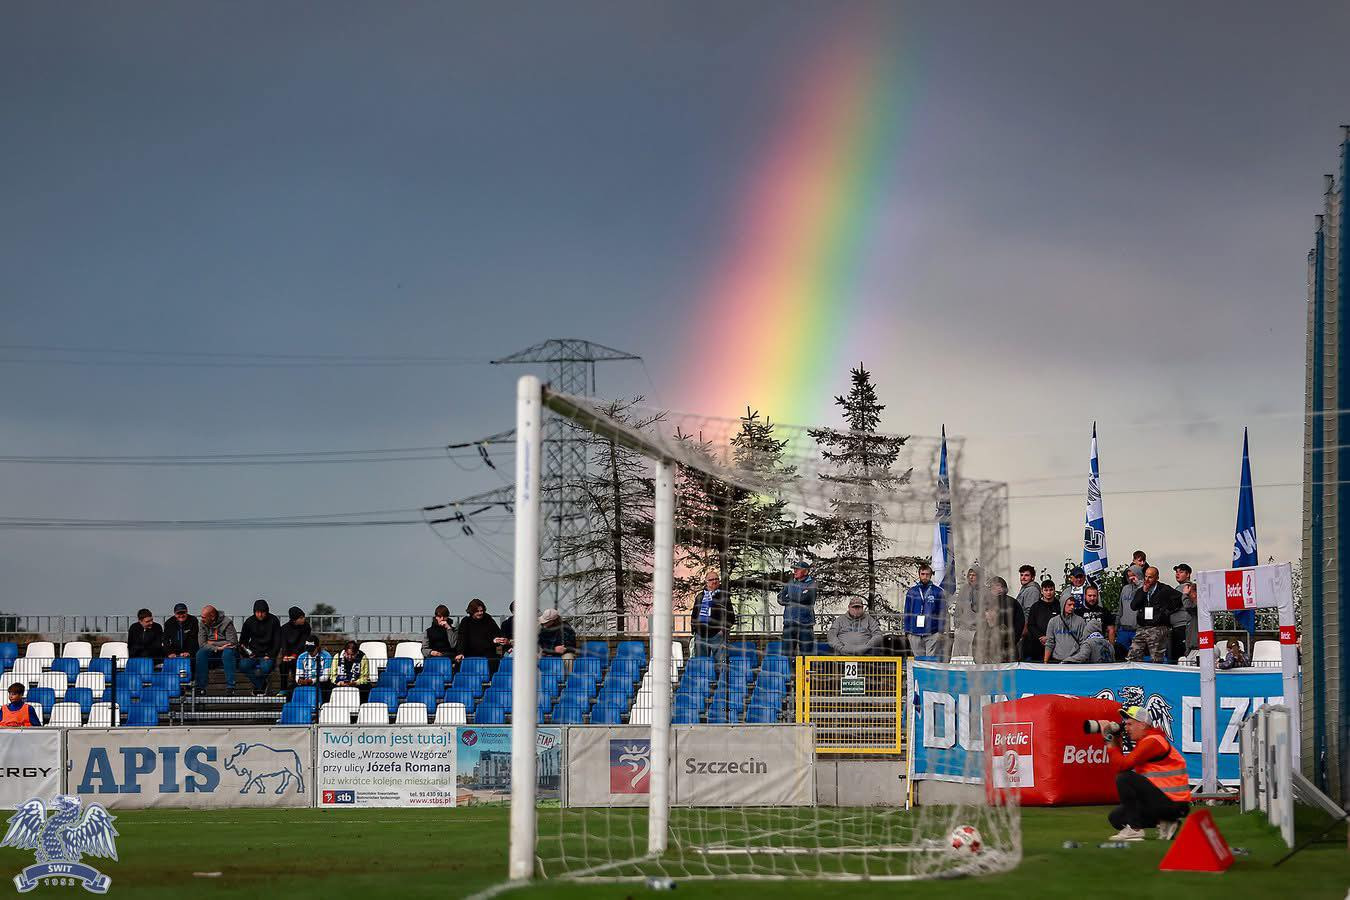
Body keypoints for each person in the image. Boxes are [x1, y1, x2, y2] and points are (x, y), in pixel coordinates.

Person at [1102, 704, 1191, 841]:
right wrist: (1115, 740)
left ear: (1142, 725)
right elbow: (1122, 763)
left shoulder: (1153, 741)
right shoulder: (1147, 741)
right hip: (1166, 802)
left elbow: (1123, 766)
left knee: (1125, 778)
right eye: (1125, 725)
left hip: (1174, 803)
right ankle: (1167, 821)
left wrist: (1109, 741)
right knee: (1116, 818)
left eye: (1130, 724)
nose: (1126, 728)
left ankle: (1135, 829)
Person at [1128, 567, 1182, 663]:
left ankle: (1156, 676)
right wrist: (1144, 592)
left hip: (1158, 627)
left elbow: (1179, 598)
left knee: (1156, 658)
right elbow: (1133, 606)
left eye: (1150, 577)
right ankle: (1136, 675)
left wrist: (1166, 611)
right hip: (1142, 626)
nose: (1147, 580)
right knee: (1133, 655)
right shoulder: (1141, 590)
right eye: (1145, 577)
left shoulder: (1164, 589)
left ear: (1157, 578)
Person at [691, 573, 735, 668]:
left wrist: (723, 630)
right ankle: (703, 682)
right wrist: (694, 630)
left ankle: (719, 682)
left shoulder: (724, 597)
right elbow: (694, 614)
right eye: (711, 580)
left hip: (717, 635)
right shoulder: (700, 597)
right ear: (706, 582)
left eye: (716, 579)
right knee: (701, 663)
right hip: (700, 635)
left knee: (720, 664)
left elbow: (731, 617)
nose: (714, 581)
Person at [238, 599, 281, 695]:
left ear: (267, 611)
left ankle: (258, 687)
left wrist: (270, 655)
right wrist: (247, 653)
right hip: (252, 654)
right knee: (242, 665)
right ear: (254, 612)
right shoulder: (249, 622)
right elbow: (242, 642)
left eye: (262, 612)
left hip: (268, 655)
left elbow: (277, 641)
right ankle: (261, 685)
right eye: (257, 612)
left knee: (265, 668)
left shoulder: (274, 621)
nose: (260, 615)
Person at [903, 564, 946, 659]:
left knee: (930, 661)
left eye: (927, 574)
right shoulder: (912, 591)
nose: (925, 576)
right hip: (914, 632)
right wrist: (907, 631)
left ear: (931, 575)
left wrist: (940, 631)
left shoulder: (938, 591)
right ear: (919, 575)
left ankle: (930, 674)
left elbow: (942, 613)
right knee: (918, 660)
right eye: (922, 574)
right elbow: (907, 611)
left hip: (932, 632)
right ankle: (919, 674)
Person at [777, 561, 817, 659]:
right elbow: (780, 597)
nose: (794, 571)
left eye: (797, 569)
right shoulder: (790, 582)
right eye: (794, 569)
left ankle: (805, 673)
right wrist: (794, 599)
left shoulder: (812, 583)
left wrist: (790, 598)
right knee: (787, 652)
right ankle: (788, 673)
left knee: (806, 652)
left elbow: (804, 598)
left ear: (806, 571)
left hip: (805, 622)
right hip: (789, 622)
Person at [980, 577, 1024, 663]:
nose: (995, 588)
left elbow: (1020, 623)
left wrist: (1012, 640)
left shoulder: (1012, 602)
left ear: (1003, 587)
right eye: (993, 586)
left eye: (998, 585)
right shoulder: (987, 603)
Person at [195, 605, 238, 693]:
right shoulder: (202, 623)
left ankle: (231, 687)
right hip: (214, 650)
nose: (202, 619)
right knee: (200, 653)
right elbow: (202, 644)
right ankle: (201, 687)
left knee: (228, 653)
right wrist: (218, 647)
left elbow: (232, 642)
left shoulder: (227, 622)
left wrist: (211, 643)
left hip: (227, 650)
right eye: (201, 617)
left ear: (212, 617)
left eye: (204, 617)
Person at [1021, 580, 1059, 662]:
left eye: (1051, 590)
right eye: (1046, 590)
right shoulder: (1035, 607)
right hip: (1036, 645)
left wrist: (1050, 638)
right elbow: (1031, 625)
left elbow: (1061, 624)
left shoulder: (1059, 606)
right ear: (1041, 591)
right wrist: (1041, 637)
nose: (1048, 593)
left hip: (1055, 645)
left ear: (1054, 590)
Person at [456, 599, 502, 665]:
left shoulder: (489, 620)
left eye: (481, 611)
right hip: (470, 653)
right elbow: (461, 639)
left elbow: (498, 636)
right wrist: (460, 653)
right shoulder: (466, 622)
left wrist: (499, 654)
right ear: (471, 611)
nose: (480, 613)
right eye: (477, 611)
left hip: (489, 654)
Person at [278, 607, 312, 690]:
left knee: (296, 665)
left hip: (301, 654)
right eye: (301, 618)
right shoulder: (284, 628)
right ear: (294, 620)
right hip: (288, 655)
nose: (303, 619)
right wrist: (285, 656)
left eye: (303, 617)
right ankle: (283, 689)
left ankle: (296, 687)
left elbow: (303, 642)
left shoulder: (306, 626)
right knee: (283, 665)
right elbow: (283, 643)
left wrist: (295, 655)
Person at [950, 567, 981, 659]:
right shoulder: (964, 589)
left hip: (976, 630)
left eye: (974, 575)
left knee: (972, 656)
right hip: (962, 629)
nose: (971, 577)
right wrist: (957, 625)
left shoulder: (983, 590)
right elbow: (958, 608)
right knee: (958, 656)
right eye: (969, 575)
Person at [1115, 565, 1144, 660]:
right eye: (1129, 576)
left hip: (1137, 630)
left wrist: (1139, 584)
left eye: (1133, 575)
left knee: (1136, 657)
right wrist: (1117, 625)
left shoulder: (1144, 588)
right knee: (1120, 656)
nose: (1131, 578)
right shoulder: (1125, 589)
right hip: (1123, 630)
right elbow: (1120, 608)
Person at [1079, 583, 1117, 650]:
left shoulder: (1104, 611)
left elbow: (1111, 630)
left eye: (1094, 596)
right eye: (1089, 596)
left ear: (1097, 596)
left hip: (1100, 645)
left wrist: (1111, 649)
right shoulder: (1078, 612)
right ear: (1085, 596)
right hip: (1083, 646)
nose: (1092, 598)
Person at [1172, 564, 1197, 661]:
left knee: (1181, 656)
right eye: (1176, 572)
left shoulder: (1188, 587)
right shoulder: (1178, 587)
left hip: (1184, 626)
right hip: (1177, 626)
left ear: (1188, 574)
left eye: (1181, 572)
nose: (1177, 574)